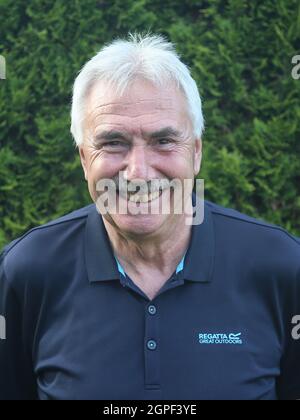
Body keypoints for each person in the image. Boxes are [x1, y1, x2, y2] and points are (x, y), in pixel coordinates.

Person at [0, 33, 299, 400]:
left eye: (163, 141)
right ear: (83, 159)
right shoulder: (27, 271)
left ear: (197, 153)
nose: (138, 172)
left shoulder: (281, 266)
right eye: (113, 142)